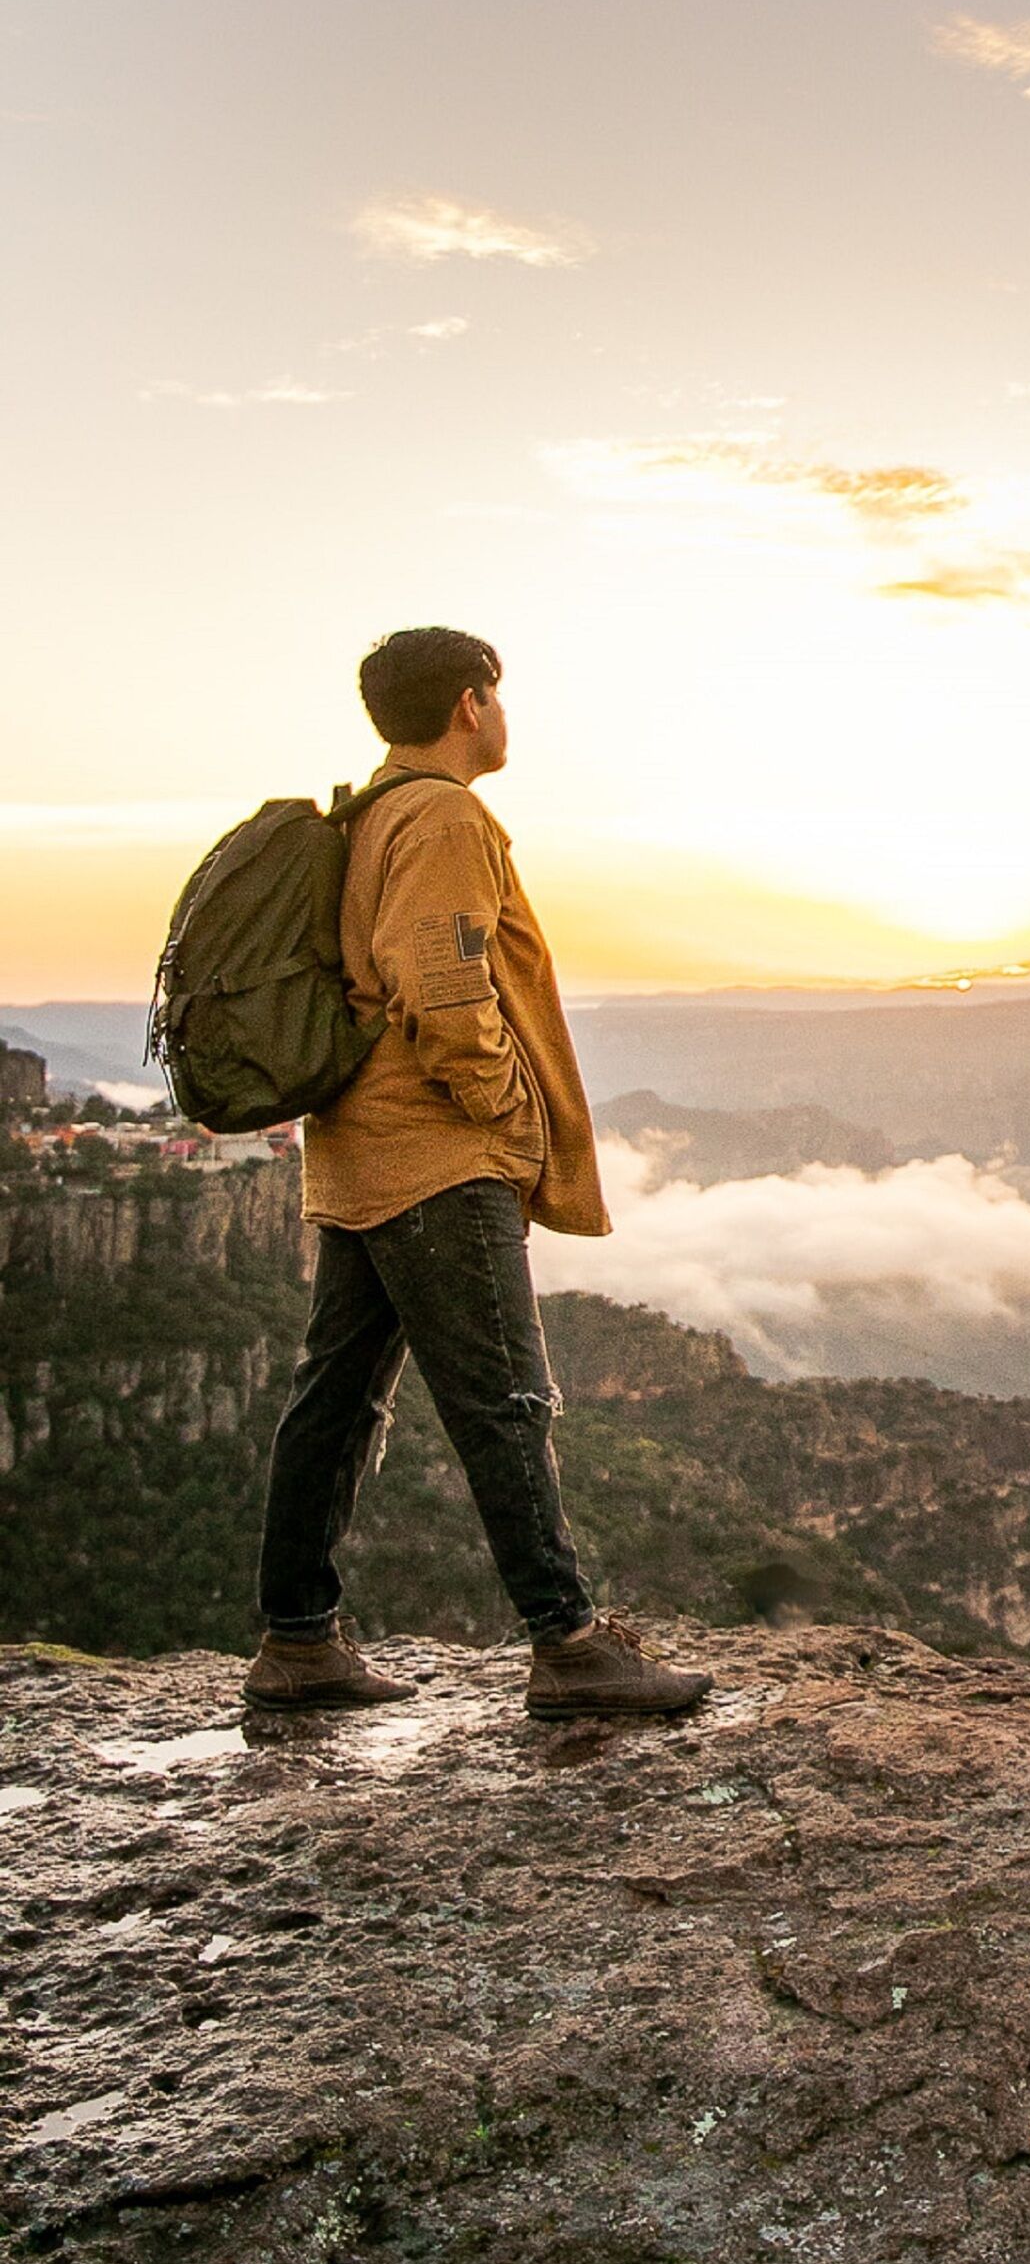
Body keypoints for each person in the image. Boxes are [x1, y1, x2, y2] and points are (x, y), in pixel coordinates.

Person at [242, 627, 710, 1720]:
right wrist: (507, 1119)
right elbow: (445, 988)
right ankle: (571, 1644)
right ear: (469, 703)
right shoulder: (445, 816)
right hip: (437, 1157)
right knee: (504, 1399)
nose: (505, 716)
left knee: (337, 1398)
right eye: (499, 698)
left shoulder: (367, 812)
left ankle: (298, 1642)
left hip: (362, 1144)